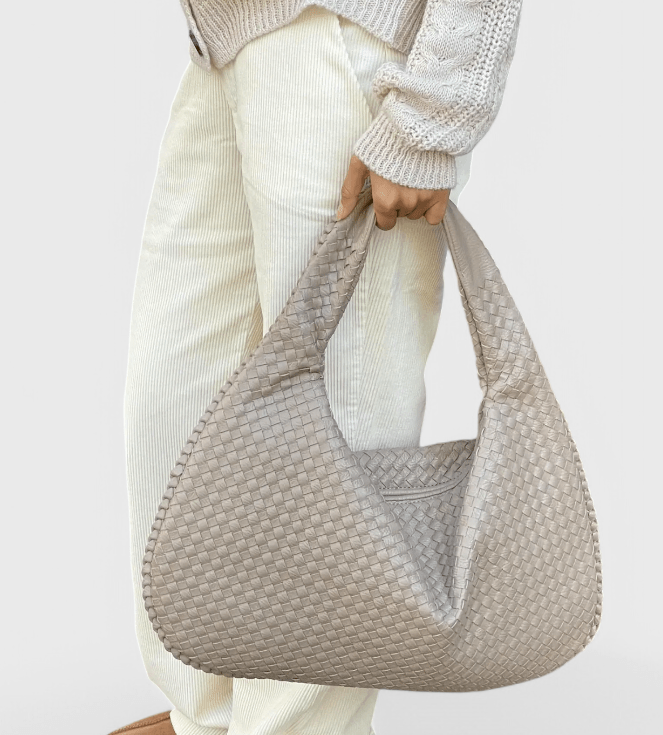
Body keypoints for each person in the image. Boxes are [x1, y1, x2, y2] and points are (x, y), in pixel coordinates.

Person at [119, 2, 523, 734]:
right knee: (174, 401)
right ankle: (206, 719)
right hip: (230, 45)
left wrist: (434, 109)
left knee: (336, 455)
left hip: (350, 40)